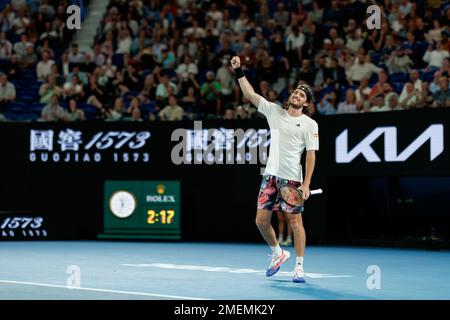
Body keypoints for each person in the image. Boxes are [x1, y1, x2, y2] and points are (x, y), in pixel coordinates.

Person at [230, 56, 319, 283]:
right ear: (290, 97)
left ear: (306, 103)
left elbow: (310, 155)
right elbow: (250, 95)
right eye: (296, 93)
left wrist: (306, 183)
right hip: (270, 176)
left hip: (292, 179)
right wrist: (239, 71)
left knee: (295, 223)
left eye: (302, 95)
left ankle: (299, 267)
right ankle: (279, 253)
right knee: (260, 221)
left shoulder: (310, 125)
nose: (297, 95)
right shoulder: (274, 112)